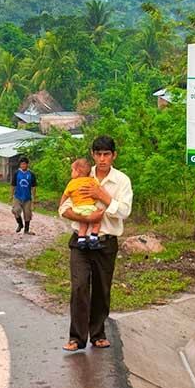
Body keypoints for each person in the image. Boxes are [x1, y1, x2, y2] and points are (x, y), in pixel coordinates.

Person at [59, 135, 133, 352]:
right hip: (80, 241)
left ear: (114, 156)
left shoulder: (121, 181)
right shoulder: (81, 173)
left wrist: (102, 195)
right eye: (98, 154)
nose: (102, 159)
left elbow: (124, 211)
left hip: (106, 242)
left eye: (106, 154)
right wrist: (86, 219)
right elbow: (63, 207)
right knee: (80, 285)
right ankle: (76, 338)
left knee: (102, 288)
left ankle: (98, 334)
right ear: (93, 155)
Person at [59, 158, 104, 249]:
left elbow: (65, 195)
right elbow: (99, 190)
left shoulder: (72, 183)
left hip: (78, 209)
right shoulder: (91, 180)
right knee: (97, 222)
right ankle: (93, 239)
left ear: (78, 172)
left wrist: (61, 204)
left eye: (72, 170)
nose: (71, 173)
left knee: (83, 225)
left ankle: (81, 241)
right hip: (89, 208)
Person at [10, 156, 37, 234]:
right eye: (21, 164)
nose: (23, 166)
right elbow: (13, 185)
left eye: (24, 164)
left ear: (27, 165)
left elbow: (34, 187)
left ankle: (26, 230)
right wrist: (11, 195)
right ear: (20, 165)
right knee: (15, 210)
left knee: (27, 214)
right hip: (17, 196)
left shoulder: (31, 174)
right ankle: (20, 224)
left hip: (27, 198)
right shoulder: (17, 173)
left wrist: (33, 198)